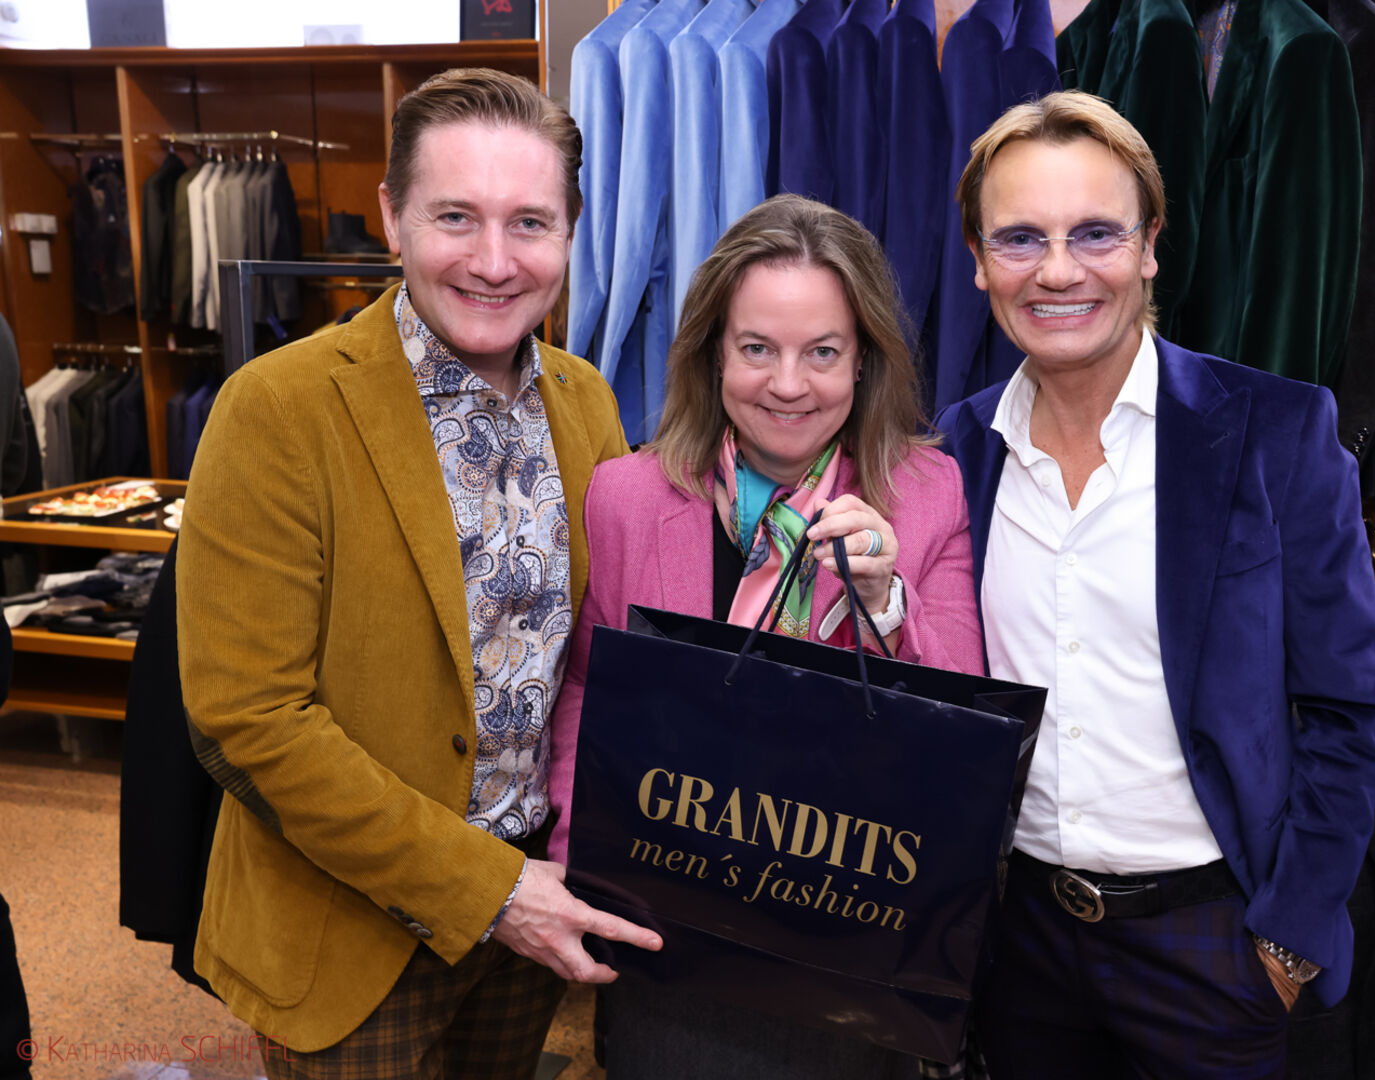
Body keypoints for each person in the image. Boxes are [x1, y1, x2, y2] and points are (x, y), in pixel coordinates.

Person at [176, 68, 661, 1077]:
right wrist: (484, 890)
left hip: (532, 917)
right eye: (455, 216)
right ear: (393, 217)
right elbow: (248, 720)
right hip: (349, 929)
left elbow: (603, 654)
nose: (494, 260)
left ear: (572, 233)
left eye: (530, 222)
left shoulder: (587, 403)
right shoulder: (279, 409)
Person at [935, 91, 1375, 1077]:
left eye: (1094, 233)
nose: (1058, 270)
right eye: (1020, 238)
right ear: (977, 260)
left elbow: (1351, 710)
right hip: (1018, 946)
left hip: (1215, 946)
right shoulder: (954, 453)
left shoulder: (1279, 434)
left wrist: (1285, 944)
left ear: (1149, 245)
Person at [545, 194, 983, 1078]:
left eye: (822, 351)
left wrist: (885, 603)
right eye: (757, 349)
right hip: (670, 940)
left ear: (863, 361)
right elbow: (589, 688)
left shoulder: (927, 492)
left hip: (853, 952)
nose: (788, 384)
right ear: (713, 352)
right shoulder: (625, 497)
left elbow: (963, 726)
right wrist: (580, 862)